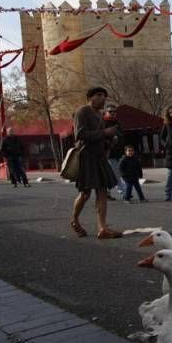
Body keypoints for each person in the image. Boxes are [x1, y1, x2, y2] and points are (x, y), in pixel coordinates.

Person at [69, 87, 123, 239]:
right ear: (90, 97)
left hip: (99, 157)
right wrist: (105, 133)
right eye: (99, 95)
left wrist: (110, 140)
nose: (103, 99)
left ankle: (102, 228)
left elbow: (99, 137)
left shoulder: (99, 114)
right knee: (85, 194)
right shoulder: (82, 111)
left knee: (102, 192)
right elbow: (79, 134)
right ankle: (74, 220)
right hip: (86, 157)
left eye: (104, 96)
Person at [102, 105, 125, 198]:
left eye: (114, 112)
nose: (112, 113)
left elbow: (121, 136)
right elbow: (101, 136)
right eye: (110, 111)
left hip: (118, 152)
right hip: (108, 153)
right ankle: (124, 192)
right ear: (106, 112)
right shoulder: (102, 122)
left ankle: (106, 192)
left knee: (109, 174)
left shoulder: (117, 123)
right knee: (116, 173)